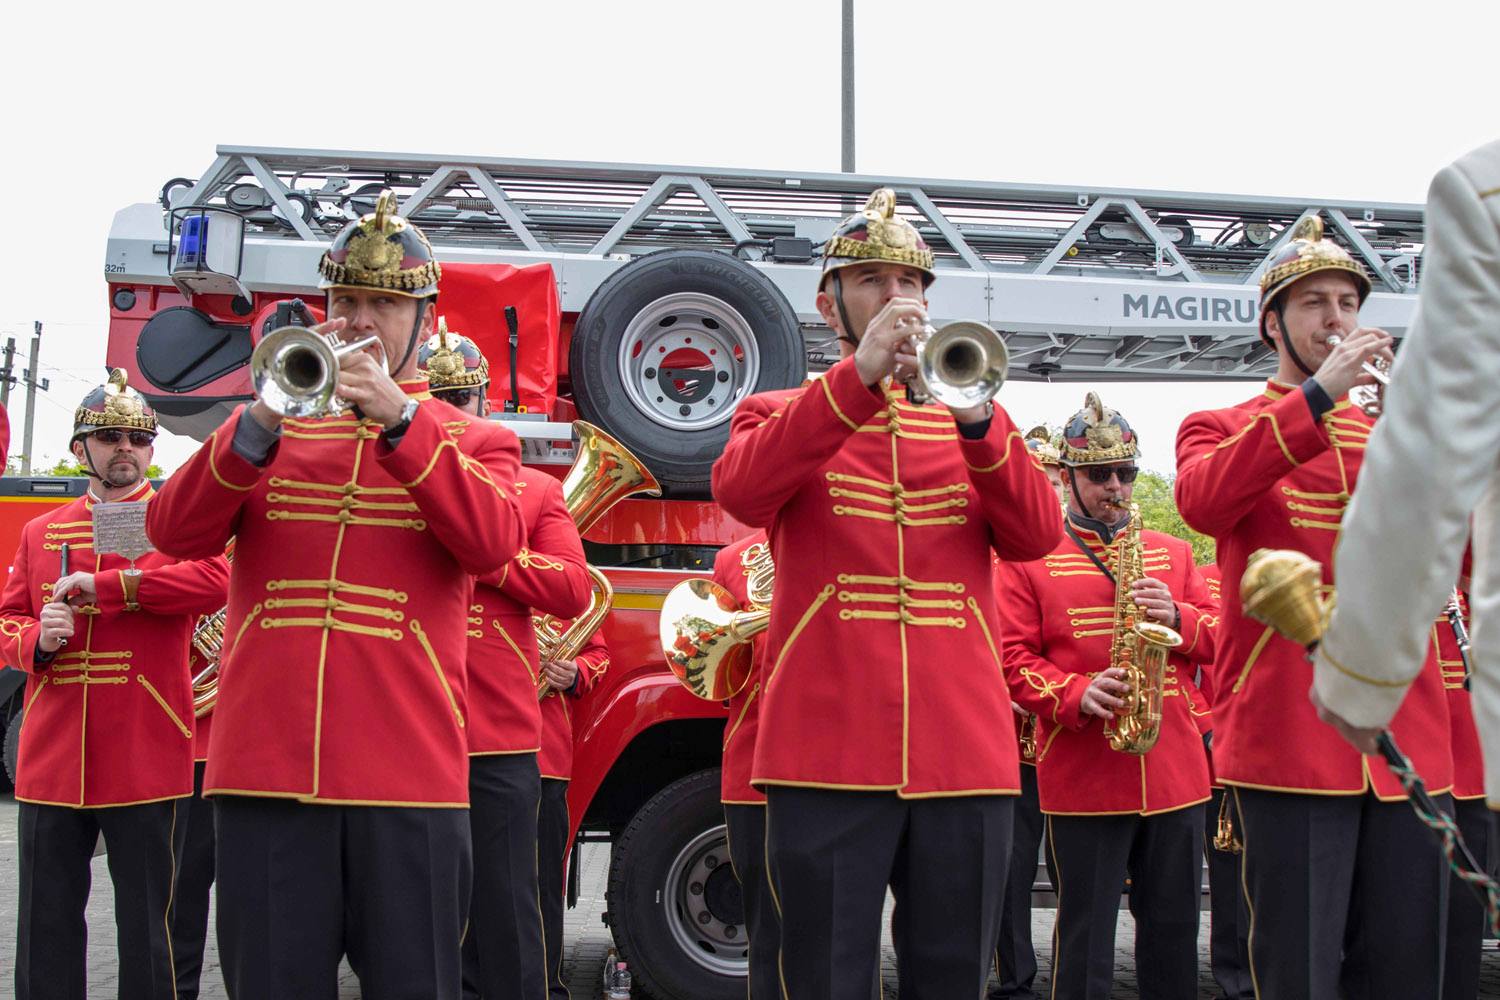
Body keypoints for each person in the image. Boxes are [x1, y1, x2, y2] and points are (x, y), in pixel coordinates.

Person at [145, 193, 527, 999]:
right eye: (345, 300)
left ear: (424, 319)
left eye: (385, 303)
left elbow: (492, 544)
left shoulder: (473, 439)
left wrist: (401, 422)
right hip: (264, 772)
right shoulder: (268, 426)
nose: (359, 320)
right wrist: (251, 426)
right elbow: (173, 532)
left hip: (409, 776)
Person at [711, 188, 1061, 1000]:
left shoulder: (974, 424)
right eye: (870, 279)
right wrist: (856, 378)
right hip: (825, 751)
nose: (896, 298)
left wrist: (979, 419)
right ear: (830, 301)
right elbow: (743, 492)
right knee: (822, 977)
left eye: (909, 283)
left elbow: (1039, 536)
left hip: (964, 756)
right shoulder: (783, 410)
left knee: (953, 978)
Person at [1175, 215, 1453, 1000]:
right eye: (1315, 304)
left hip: (1408, 740)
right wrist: (1319, 398)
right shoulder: (1221, 427)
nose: (1338, 320)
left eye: (1349, 303)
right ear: (1273, 324)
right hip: (1290, 738)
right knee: (1295, 971)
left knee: (1406, 971)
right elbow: (1203, 501)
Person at [0, 371, 228, 1000]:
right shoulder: (40, 529)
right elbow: (6, 620)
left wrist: (118, 588)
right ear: (81, 449)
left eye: (138, 437)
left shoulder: (176, 522)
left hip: (144, 745)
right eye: (109, 436)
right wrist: (35, 640)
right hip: (54, 752)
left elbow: (217, 579)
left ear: (153, 449)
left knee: (149, 924)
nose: (125, 447)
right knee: (43, 924)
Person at [995, 393, 1216, 1000]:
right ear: (1066, 478)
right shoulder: (1027, 558)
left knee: (1174, 929)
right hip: (1083, 770)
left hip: (1173, 770)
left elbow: (1222, 636)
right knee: (1086, 933)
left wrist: (1180, 615)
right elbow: (1009, 659)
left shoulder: (1172, 553)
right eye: (1098, 475)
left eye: (1126, 472)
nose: (1115, 486)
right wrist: (1075, 692)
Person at [420, 324, 592, 1000]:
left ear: (486, 404)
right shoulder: (392, 475)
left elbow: (572, 589)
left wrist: (483, 553)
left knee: (511, 909)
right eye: (441, 398)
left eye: (463, 399)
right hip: (412, 722)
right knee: (420, 912)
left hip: (497, 730)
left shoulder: (534, 492)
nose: (453, 413)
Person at [988, 429, 1063, 1000]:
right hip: (1001, 732)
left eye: (1052, 479)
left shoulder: (1062, 551)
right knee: (1009, 868)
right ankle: (1015, 979)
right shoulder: (994, 548)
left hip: (1056, 730)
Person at [711, 529, 779, 1000]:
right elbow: (716, 669)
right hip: (752, 762)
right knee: (764, 923)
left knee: (836, 926)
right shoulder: (734, 559)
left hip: (833, 767)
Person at [537, 629, 609, 1000]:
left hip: (542, 755)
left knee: (543, 883)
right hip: (473, 750)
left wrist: (576, 671)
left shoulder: (556, 581)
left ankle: (546, 987)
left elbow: (599, 656)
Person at [1193, 561, 1252, 1000]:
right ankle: (1237, 981)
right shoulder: (1202, 576)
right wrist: (1209, 727)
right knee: (1230, 880)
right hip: (1218, 759)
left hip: (1281, 752)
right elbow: (1183, 672)